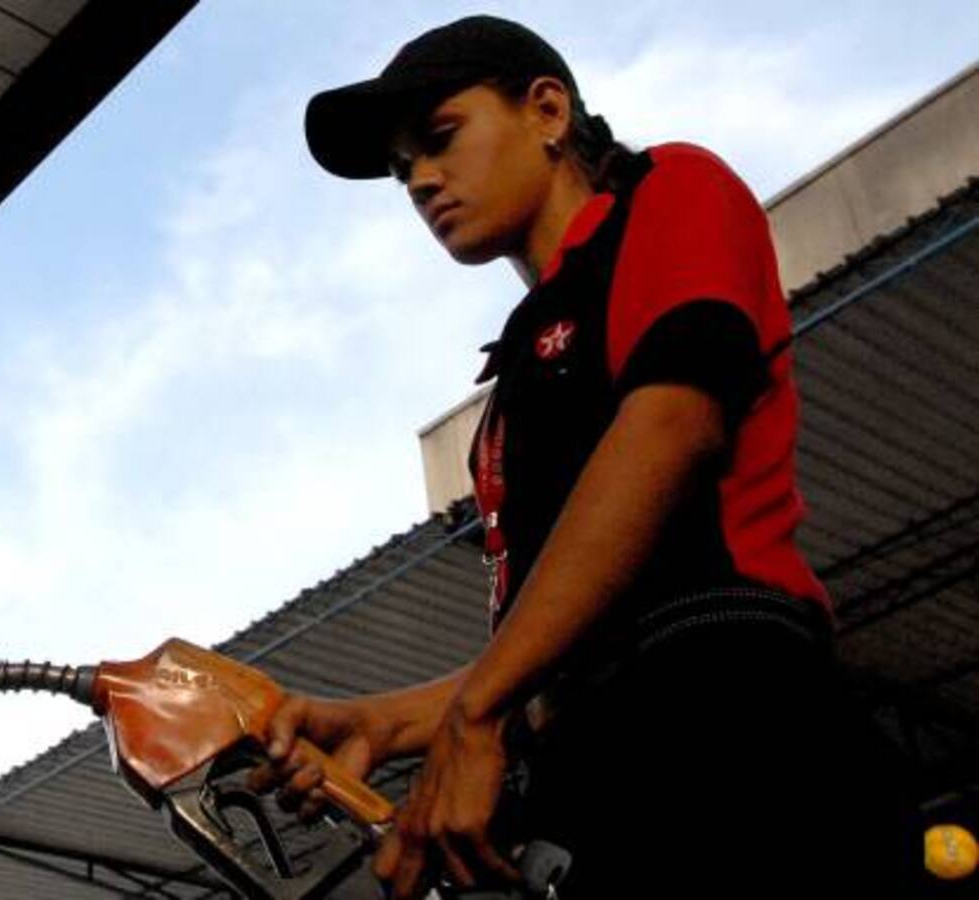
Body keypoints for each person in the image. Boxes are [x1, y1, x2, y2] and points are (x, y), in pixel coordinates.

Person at [251, 15, 920, 898]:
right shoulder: (512, 385)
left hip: (732, 713)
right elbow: (569, 634)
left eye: (440, 138)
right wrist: (376, 719)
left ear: (548, 110)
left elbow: (673, 423)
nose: (418, 178)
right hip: (600, 750)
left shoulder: (669, 188)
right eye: (399, 165)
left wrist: (475, 715)